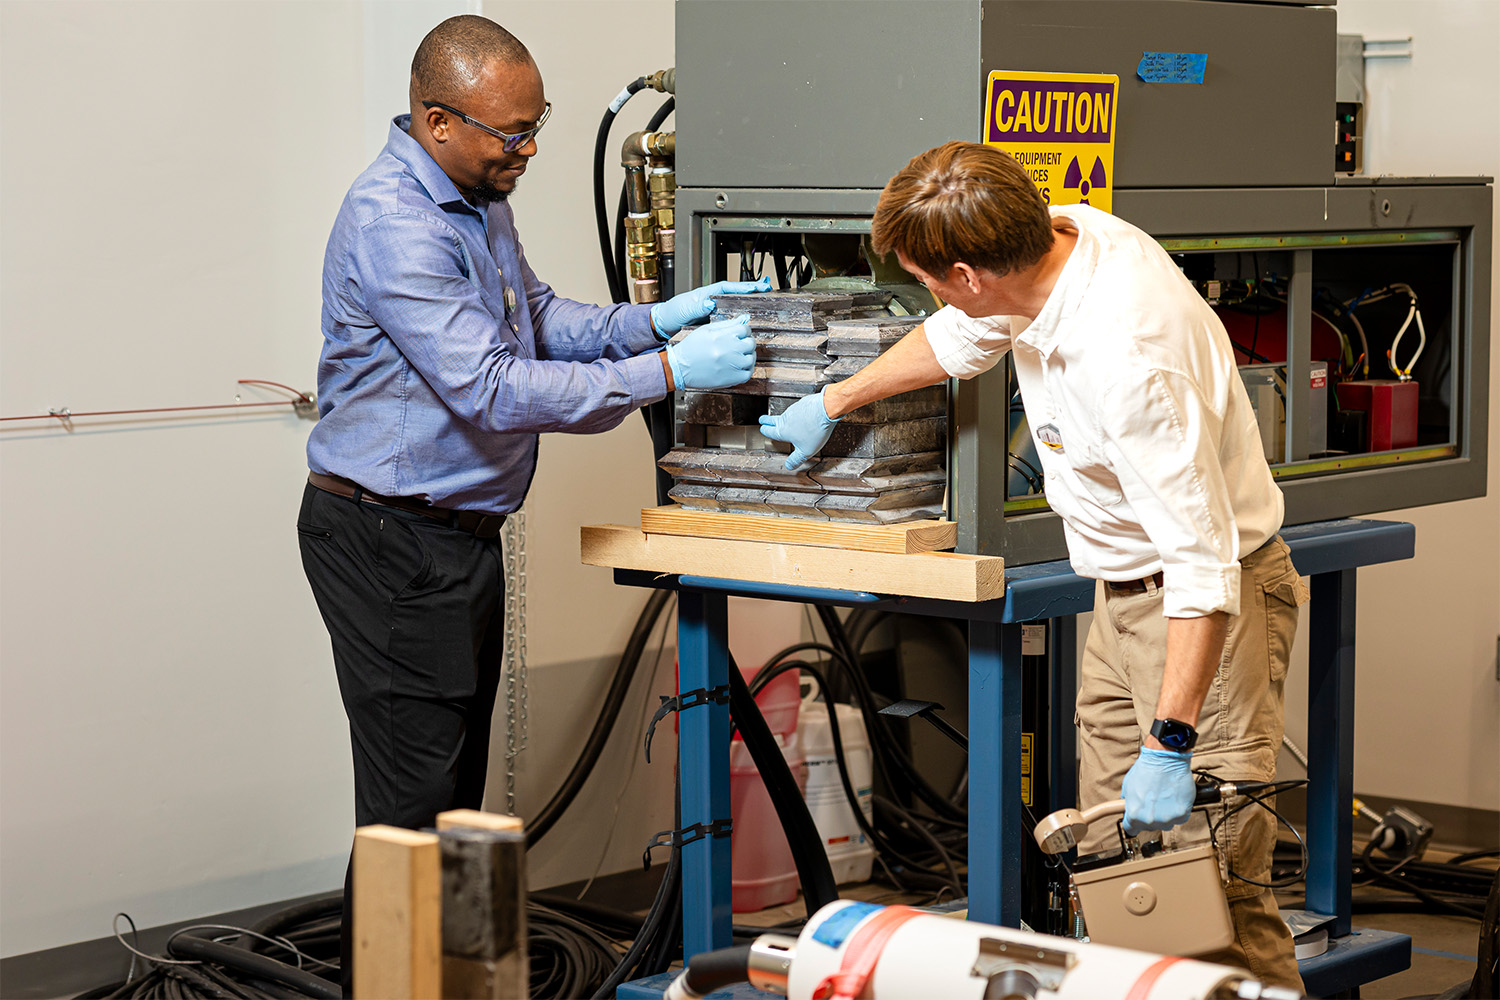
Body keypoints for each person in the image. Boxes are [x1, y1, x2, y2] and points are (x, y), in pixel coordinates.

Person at [759, 141, 1306, 989]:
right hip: (1123, 600)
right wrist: (834, 400)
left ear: (972, 269)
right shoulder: (1060, 239)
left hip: (1204, 615)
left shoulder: (1129, 357)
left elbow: (1204, 568)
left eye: (927, 277)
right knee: (1120, 883)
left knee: (1213, 902)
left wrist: (1172, 740)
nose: (927, 292)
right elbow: (965, 333)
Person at [296, 14, 767, 989]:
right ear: (436, 120)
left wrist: (650, 320)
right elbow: (497, 388)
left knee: (452, 807)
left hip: (455, 538)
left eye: (536, 122)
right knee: (411, 817)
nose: (530, 148)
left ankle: (457, 984)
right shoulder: (396, 219)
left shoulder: (477, 194)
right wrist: (669, 368)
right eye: (510, 132)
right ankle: (389, 986)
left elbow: (539, 317)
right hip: (389, 540)